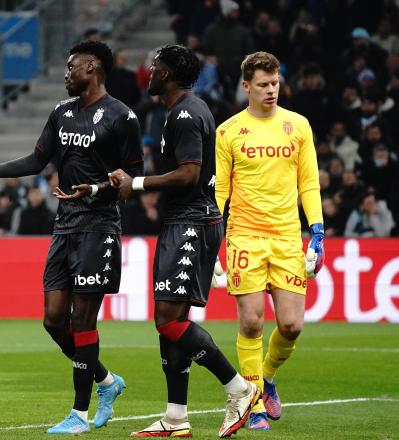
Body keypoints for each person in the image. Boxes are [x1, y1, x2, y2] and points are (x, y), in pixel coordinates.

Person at [0, 40, 143, 434]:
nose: (66, 74)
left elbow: (131, 181)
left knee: (83, 320)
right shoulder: (61, 112)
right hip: (64, 226)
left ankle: (79, 415)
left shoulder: (122, 117)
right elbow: (36, 161)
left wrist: (98, 189)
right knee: (53, 321)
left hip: (98, 226)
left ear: (92, 67)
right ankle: (106, 381)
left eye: (71, 67)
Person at [107, 44, 258, 438]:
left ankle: (239, 388)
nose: (149, 71)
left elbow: (189, 174)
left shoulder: (187, 114)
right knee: (172, 321)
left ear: (169, 73)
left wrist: (136, 184)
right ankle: (175, 417)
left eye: (154, 66)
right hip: (184, 221)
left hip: (192, 221)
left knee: (167, 320)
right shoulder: (180, 110)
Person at [215, 51, 325, 430]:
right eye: (263, 84)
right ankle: (254, 403)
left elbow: (308, 182)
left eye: (275, 83)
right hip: (244, 235)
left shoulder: (299, 126)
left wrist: (318, 231)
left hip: (285, 236)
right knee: (251, 322)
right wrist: (213, 242)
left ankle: (266, 376)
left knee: (292, 325)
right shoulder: (228, 131)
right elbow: (220, 193)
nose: (271, 90)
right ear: (247, 86)